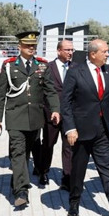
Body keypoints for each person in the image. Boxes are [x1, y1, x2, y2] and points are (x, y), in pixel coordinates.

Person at [61, 39, 109, 216]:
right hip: (81, 130)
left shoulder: (108, 71)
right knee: (79, 169)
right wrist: (70, 128)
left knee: (106, 167)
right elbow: (65, 103)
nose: (108, 55)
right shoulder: (75, 72)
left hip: (103, 129)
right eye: (105, 52)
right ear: (93, 54)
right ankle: (74, 201)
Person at [0, 31, 60, 208]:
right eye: (27, 45)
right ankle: (21, 191)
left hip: (35, 117)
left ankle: (18, 178)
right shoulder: (9, 66)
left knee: (29, 150)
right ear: (19, 47)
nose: (31, 48)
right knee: (18, 151)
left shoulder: (42, 66)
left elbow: (50, 91)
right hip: (15, 116)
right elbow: (0, 94)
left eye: (33, 45)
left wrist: (55, 109)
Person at [34, 39, 75, 189]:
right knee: (49, 143)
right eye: (67, 50)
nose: (70, 53)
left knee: (69, 146)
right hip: (51, 114)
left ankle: (67, 177)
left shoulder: (76, 68)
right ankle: (43, 171)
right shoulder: (47, 67)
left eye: (72, 50)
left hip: (70, 115)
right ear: (59, 51)